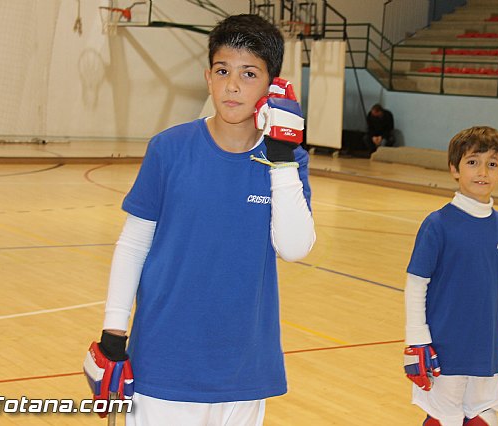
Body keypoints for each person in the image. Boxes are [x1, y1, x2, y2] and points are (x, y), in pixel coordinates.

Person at [83, 14, 316, 425]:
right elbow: (134, 244)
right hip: (164, 362)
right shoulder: (168, 149)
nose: (232, 85)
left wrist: (280, 161)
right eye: (223, 71)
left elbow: (295, 248)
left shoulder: (288, 163)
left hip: (244, 366)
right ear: (207, 76)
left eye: (249, 74)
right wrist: (113, 332)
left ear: (272, 86)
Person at [403, 126, 498, 426]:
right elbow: (416, 284)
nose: (483, 171)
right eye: (472, 162)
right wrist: (418, 340)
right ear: (454, 170)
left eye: (492, 164)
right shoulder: (438, 224)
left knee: (485, 418)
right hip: (445, 349)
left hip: (489, 349)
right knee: (445, 419)